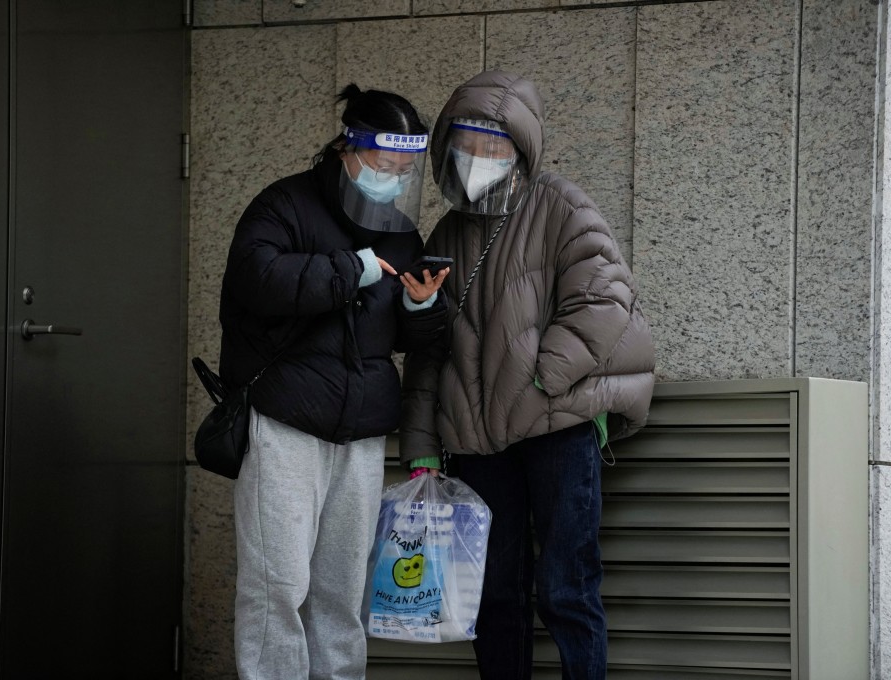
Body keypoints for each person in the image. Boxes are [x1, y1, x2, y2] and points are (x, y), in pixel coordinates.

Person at [400, 70, 655, 679]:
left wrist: (541, 377)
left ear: (523, 149)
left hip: (558, 427)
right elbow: (428, 349)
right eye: (467, 142)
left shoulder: (561, 204)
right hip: (476, 441)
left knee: (568, 586)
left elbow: (605, 300)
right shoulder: (445, 233)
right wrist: (422, 448)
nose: (480, 157)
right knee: (495, 595)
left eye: (496, 144)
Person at [218, 84, 449, 680]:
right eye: (384, 166)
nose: (395, 181)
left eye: (405, 171)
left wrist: (423, 309)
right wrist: (354, 268)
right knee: (280, 583)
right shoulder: (284, 206)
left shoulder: (399, 230)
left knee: (342, 592)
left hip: (363, 430)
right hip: (286, 419)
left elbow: (409, 340)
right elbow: (258, 280)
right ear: (348, 150)